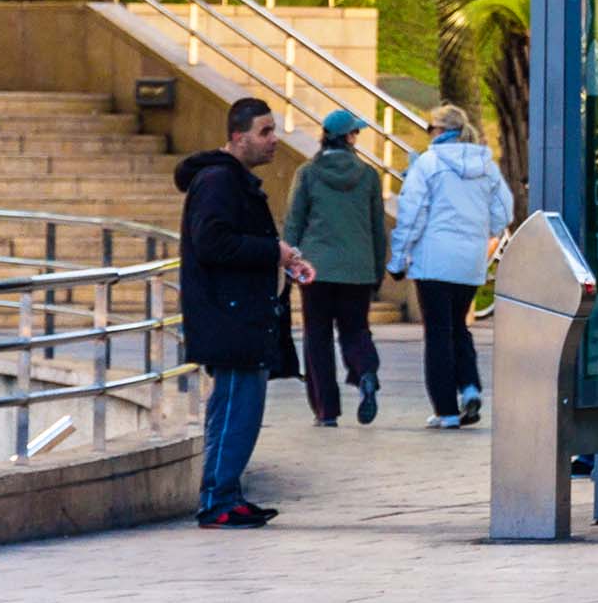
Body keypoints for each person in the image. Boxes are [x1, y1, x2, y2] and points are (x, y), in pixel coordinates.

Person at [176, 97, 314, 528]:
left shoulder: (232, 181)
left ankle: (226, 493)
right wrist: (273, 250)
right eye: (265, 132)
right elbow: (212, 243)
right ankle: (218, 499)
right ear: (239, 138)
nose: (274, 141)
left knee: (237, 408)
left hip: (241, 315)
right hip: (228, 317)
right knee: (236, 407)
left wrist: (284, 258)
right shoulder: (218, 181)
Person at [387, 105, 513, 429]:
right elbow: (502, 214)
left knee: (438, 334)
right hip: (470, 261)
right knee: (459, 326)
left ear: (440, 131)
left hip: (433, 261)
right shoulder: (486, 164)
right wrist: (479, 232)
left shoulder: (427, 164)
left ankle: (446, 411)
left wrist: (398, 260)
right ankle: (469, 386)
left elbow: (412, 216)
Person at [284, 109, 391, 428]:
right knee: (355, 329)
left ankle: (326, 410)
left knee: (317, 337)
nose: (357, 138)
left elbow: (295, 221)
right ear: (347, 138)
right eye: (355, 133)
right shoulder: (369, 176)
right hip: (357, 269)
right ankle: (366, 372)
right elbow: (376, 228)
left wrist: (290, 262)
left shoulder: (307, 173)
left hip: (315, 269)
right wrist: (376, 270)